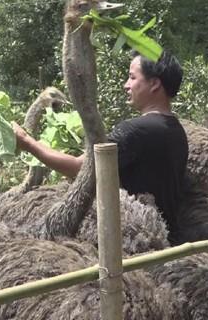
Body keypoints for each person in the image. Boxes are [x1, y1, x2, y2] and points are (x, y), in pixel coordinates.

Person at [13, 50, 189, 241]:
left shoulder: (135, 131)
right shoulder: (176, 129)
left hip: (134, 241)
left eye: (132, 78)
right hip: (167, 238)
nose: (126, 85)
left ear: (154, 84)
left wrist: (27, 142)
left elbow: (81, 169)